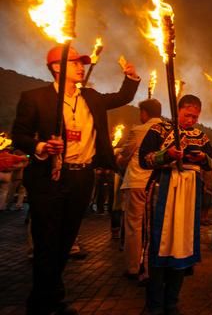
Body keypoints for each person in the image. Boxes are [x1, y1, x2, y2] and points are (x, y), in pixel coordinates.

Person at [12, 45, 140, 315]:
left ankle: (52, 298)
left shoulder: (90, 97)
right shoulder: (35, 97)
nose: (81, 67)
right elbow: (19, 136)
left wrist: (130, 77)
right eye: (73, 63)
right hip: (50, 177)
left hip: (82, 177)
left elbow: (122, 97)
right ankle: (41, 303)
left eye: (82, 63)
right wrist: (42, 147)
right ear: (56, 68)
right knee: (46, 241)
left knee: (65, 241)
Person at [138, 94, 212, 315]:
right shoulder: (160, 130)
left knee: (181, 244)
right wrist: (166, 155)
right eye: (187, 115)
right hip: (164, 190)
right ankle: (154, 304)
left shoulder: (201, 135)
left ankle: (172, 301)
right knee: (159, 244)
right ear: (178, 110)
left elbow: (211, 162)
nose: (191, 120)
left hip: (189, 195)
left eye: (195, 116)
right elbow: (145, 159)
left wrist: (201, 159)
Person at [116, 98, 163, 280]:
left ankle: (134, 267)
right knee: (154, 225)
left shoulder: (138, 130)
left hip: (137, 182)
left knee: (134, 227)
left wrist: (119, 160)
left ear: (144, 112)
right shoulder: (167, 130)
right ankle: (152, 265)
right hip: (157, 184)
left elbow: (126, 155)